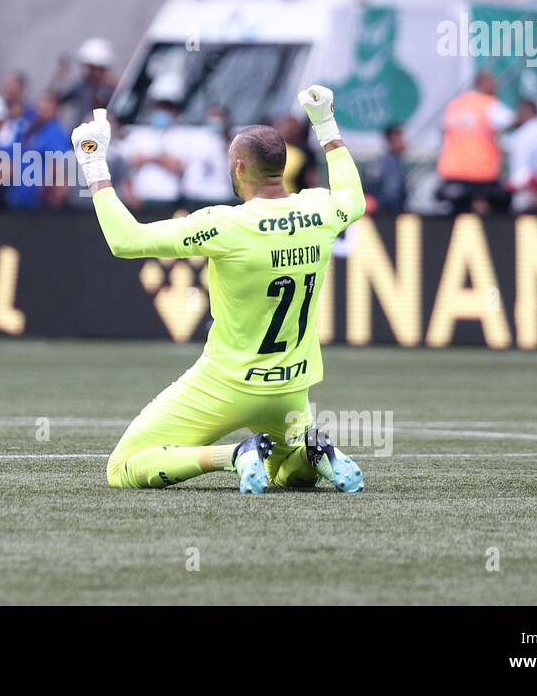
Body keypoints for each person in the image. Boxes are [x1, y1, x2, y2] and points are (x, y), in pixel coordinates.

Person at [71, 85, 367, 493]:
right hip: (291, 388)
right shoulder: (320, 209)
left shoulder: (224, 225)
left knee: (122, 468)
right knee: (289, 475)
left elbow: (126, 240)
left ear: (241, 168)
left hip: (227, 383)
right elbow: (355, 197)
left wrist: (93, 163)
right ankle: (314, 453)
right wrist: (325, 122)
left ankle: (233, 455)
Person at [435, 70, 515, 214]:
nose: (496, 88)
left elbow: (442, 131)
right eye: (493, 83)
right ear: (483, 83)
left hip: (452, 172)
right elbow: (513, 120)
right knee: (502, 208)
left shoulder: (455, 105)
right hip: (481, 175)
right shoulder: (488, 105)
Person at [6, 91, 71, 209]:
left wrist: (47, 187)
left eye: (47, 104)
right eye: (40, 104)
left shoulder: (55, 132)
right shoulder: (31, 130)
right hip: (20, 200)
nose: (42, 108)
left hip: (40, 204)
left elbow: (60, 162)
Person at [364, 124, 408, 214]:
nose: (404, 142)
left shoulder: (392, 162)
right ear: (392, 140)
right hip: (386, 217)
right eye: (400, 138)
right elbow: (392, 197)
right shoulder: (390, 165)